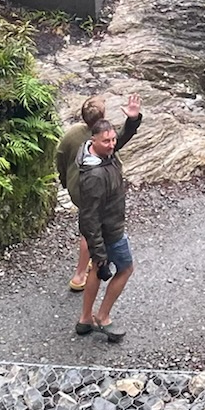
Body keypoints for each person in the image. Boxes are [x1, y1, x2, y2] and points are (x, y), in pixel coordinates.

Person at [55, 95, 140, 291]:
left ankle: (88, 266)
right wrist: (132, 120)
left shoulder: (73, 133)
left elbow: (60, 157)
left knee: (89, 222)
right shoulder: (102, 139)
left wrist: (64, 180)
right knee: (90, 227)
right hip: (94, 189)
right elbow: (121, 138)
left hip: (76, 188)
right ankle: (80, 273)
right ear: (102, 118)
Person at [75, 114, 136, 344]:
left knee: (95, 270)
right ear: (95, 140)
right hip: (110, 232)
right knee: (126, 268)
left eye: (113, 140)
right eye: (107, 141)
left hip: (106, 231)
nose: (112, 144)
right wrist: (99, 251)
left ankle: (85, 319)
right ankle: (103, 316)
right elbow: (89, 218)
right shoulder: (95, 176)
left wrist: (132, 120)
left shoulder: (95, 153)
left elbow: (118, 141)